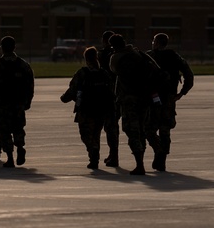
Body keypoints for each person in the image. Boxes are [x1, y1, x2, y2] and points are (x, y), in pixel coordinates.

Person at [108, 34, 163, 175]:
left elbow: (113, 69)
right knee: (142, 130)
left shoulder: (116, 57)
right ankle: (158, 150)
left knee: (132, 131)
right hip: (144, 97)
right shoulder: (139, 54)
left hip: (129, 99)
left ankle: (140, 164)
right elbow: (157, 70)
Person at [60, 46, 116, 169]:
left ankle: (93, 152)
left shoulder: (82, 73)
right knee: (96, 134)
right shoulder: (104, 73)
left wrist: (64, 98)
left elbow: (73, 89)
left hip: (86, 110)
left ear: (86, 58)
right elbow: (111, 91)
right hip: (101, 110)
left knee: (86, 134)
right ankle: (94, 159)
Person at [147, 33, 194, 172]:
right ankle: (161, 159)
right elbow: (189, 75)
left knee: (148, 129)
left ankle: (159, 152)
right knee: (165, 130)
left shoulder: (149, 56)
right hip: (169, 99)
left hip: (152, 98)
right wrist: (181, 93)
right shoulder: (175, 56)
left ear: (156, 42)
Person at [0, 36, 34, 168]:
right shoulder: (23, 65)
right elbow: (30, 85)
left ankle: (10, 157)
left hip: (2, 105)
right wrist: (27, 101)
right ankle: (20, 147)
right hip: (18, 103)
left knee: (4, 131)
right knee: (18, 128)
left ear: (1, 48)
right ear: (14, 47)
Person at [97, 31, 119, 167]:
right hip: (121, 94)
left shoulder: (104, 54)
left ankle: (114, 155)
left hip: (108, 96)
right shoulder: (121, 54)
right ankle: (113, 154)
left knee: (110, 128)